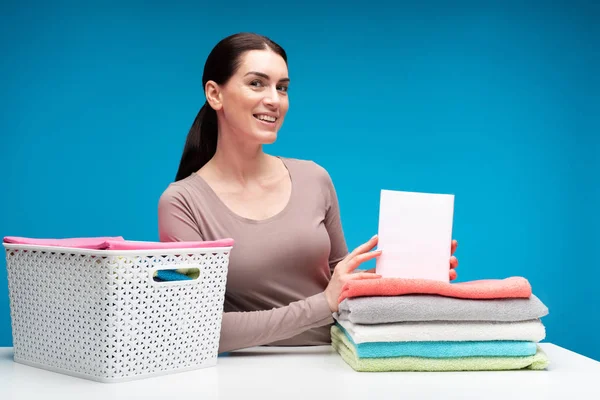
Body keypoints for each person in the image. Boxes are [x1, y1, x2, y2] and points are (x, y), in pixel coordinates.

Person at [157, 32, 459, 354]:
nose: (274, 99)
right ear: (215, 94)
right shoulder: (182, 203)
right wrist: (323, 303)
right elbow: (195, 326)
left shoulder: (314, 178)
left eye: (282, 87)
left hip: (336, 362)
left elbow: (338, 283)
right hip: (244, 375)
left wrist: (399, 278)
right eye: (257, 83)